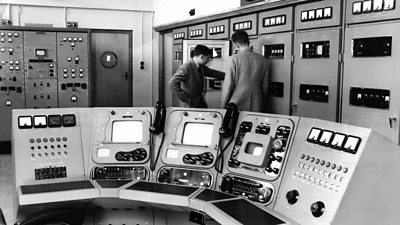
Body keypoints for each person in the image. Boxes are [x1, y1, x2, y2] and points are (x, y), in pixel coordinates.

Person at [221, 30, 271, 112]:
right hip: (257, 104)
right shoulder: (263, 60)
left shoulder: (233, 59)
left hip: (237, 104)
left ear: (236, 44)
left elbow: (228, 86)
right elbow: (265, 86)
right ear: (248, 41)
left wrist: (222, 107)